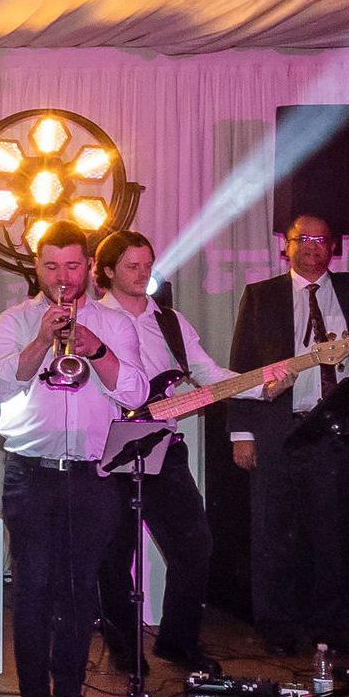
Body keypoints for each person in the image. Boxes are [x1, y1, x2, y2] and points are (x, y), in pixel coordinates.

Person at [0, 229, 144, 697]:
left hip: (93, 473)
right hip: (32, 473)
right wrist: (41, 341)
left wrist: (94, 348)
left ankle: (70, 694)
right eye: (51, 267)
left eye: (72, 267)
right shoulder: (14, 321)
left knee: (80, 590)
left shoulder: (114, 323)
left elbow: (137, 390)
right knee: (32, 587)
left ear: (90, 268)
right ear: (37, 267)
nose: (63, 278)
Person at [228, 213, 349, 660]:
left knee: (332, 530)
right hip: (277, 427)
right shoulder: (262, 296)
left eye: (322, 238)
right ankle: (276, 625)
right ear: (287, 246)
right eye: (303, 239)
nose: (312, 246)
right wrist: (241, 432)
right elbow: (243, 363)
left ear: (334, 246)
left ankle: (330, 625)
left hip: (336, 430)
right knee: (273, 530)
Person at [92, 229, 223, 671]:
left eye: (148, 265)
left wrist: (263, 384)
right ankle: (124, 649)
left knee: (194, 546)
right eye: (132, 266)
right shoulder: (92, 318)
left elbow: (206, 372)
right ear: (108, 270)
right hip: (107, 449)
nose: (143, 273)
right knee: (113, 556)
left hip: (163, 445)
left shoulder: (169, 320)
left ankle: (178, 640)